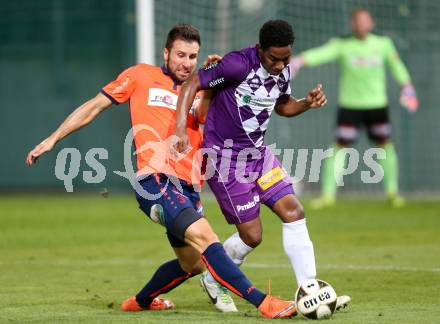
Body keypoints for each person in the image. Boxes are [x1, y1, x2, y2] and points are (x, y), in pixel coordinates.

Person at [25, 24, 297, 319]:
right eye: (180, 55)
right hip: (155, 181)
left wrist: (213, 86)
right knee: (208, 239)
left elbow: (204, 117)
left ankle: (141, 301)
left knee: (192, 264)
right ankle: (263, 302)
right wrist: (53, 138)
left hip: (189, 186)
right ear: (166, 53)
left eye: (193, 56)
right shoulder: (141, 75)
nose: (186, 62)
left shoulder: (198, 86)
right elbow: (94, 107)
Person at [174, 20, 350, 312]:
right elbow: (194, 83)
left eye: (285, 58)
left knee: (294, 210)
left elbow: (282, 105)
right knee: (252, 236)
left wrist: (306, 102)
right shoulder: (235, 66)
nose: (280, 65)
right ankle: (213, 277)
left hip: (259, 155)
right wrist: (181, 128)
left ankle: (312, 290)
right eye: (274, 58)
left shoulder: (282, 70)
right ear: (260, 49)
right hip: (225, 161)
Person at [290, 8, 419, 209]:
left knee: (385, 145)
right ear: (352, 24)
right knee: (339, 147)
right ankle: (328, 195)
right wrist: (299, 61)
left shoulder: (383, 44)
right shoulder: (343, 45)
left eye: (364, 21)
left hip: (377, 105)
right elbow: (320, 54)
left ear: (371, 23)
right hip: (350, 106)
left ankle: (393, 193)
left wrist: (408, 87)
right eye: (357, 21)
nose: (360, 24)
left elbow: (397, 66)